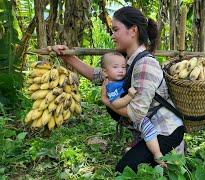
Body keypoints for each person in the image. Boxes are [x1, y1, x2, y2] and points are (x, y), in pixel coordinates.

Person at [48, 6, 185, 173]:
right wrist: (66, 56)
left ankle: (171, 155)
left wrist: (107, 101)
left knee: (123, 170)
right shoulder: (128, 60)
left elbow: (136, 113)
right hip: (150, 129)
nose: (112, 36)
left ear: (133, 31)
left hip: (165, 130)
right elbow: (100, 75)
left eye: (116, 30)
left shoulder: (145, 65)